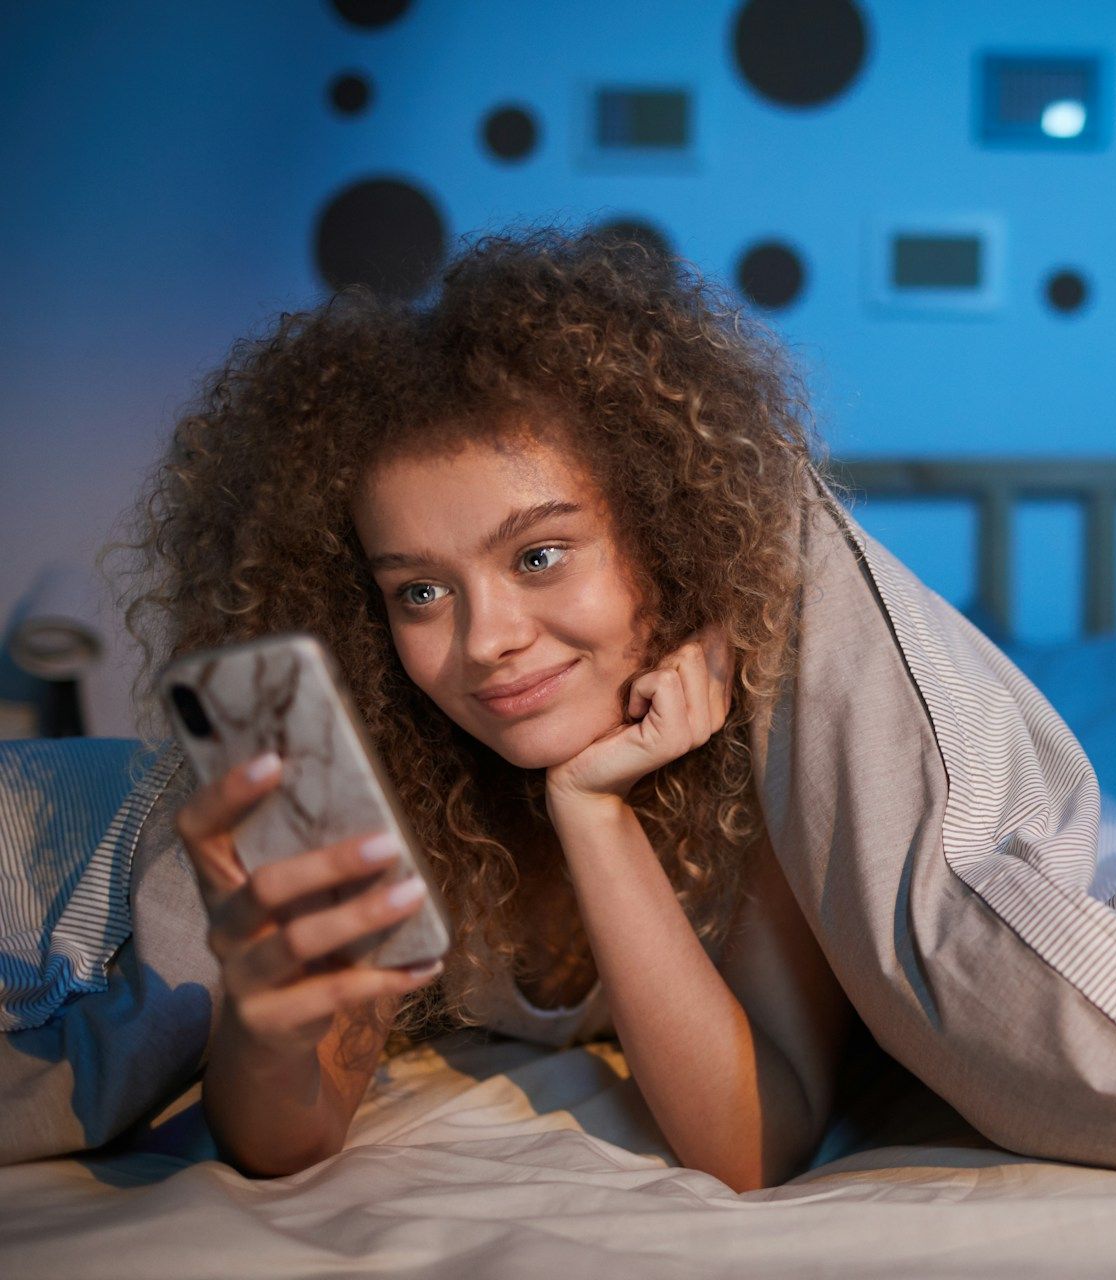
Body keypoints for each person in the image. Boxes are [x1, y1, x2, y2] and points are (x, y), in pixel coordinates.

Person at [111, 226, 855, 1193]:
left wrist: (589, 808)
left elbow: (752, 1147)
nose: (484, 641)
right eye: (420, 591)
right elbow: (281, 1146)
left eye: (539, 554)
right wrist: (264, 1020)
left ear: (668, 538)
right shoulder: (384, 766)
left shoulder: (775, 748)